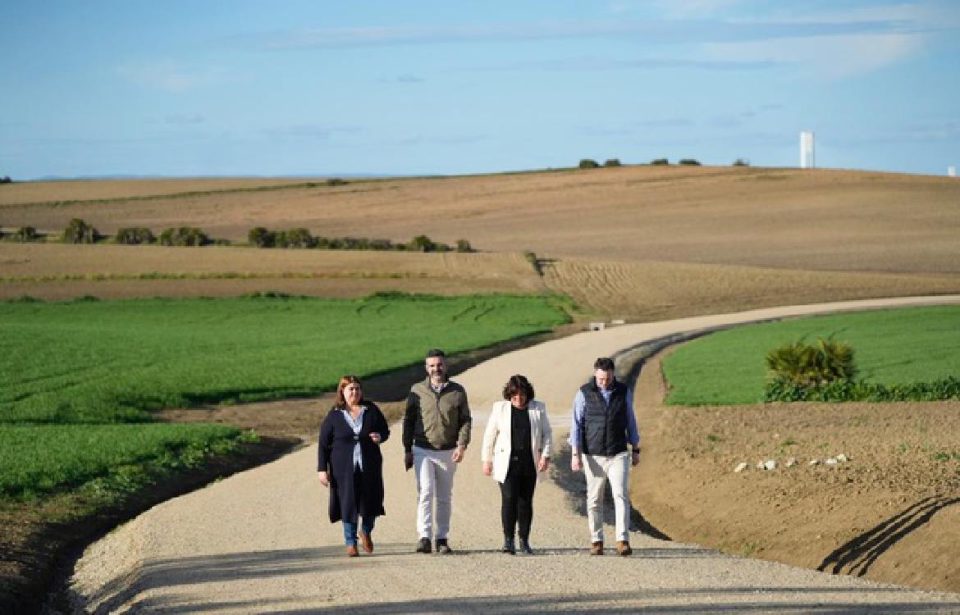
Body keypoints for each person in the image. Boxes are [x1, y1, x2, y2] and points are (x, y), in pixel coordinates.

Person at [569, 357, 641, 556]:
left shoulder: (623, 391)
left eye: (608, 379)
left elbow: (630, 420)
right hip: (593, 454)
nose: (604, 382)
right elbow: (576, 424)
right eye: (601, 379)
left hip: (618, 452)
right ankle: (596, 540)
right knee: (594, 499)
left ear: (612, 375)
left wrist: (635, 448)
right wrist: (575, 454)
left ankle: (622, 540)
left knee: (620, 495)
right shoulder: (584, 393)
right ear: (595, 374)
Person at [403, 348, 472, 554]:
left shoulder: (457, 391)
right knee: (425, 491)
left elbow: (465, 420)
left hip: (448, 450)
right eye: (432, 366)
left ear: (445, 366)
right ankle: (424, 537)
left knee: (444, 496)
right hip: (422, 449)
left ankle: (441, 538)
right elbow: (408, 421)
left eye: (439, 365)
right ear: (426, 368)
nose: (436, 369)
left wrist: (462, 445)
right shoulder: (416, 391)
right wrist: (407, 449)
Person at [318, 375, 390, 557]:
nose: (355, 392)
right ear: (342, 391)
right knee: (347, 503)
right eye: (351, 389)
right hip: (342, 468)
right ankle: (350, 542)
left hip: (369, 464)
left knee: (371, 500)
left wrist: (380, 437)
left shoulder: (371, 409)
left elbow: (385, 430)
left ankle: (365, 530)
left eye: (357, 388)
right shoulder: (334, 415)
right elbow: (323, 444)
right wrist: (321, 469)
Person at [481, 374, 553, 555]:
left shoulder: (539, 409)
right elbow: (489, 435)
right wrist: (487, 460)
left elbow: (547, 435)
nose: (519, 400)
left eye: (522, 396)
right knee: (509, 499)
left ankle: (524, 540)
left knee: (525, 502)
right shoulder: (500, 409)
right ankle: (508, 540)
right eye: (514, 396)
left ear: (528, 395)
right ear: (509, 396)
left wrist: (545, 456)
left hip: (529, 463)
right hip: (507, 463)